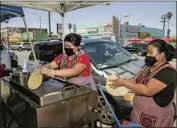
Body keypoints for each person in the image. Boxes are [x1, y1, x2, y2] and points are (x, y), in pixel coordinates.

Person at [108, 39, 176, 127]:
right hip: (139, 113)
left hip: (157, 117)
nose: (147, 55)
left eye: (151, 52)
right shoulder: (147, 67)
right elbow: (135, 80)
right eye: (147, 51)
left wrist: (124, 83)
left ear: (162, 55)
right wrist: (121, 80)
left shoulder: (168, 72)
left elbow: (147, 90)